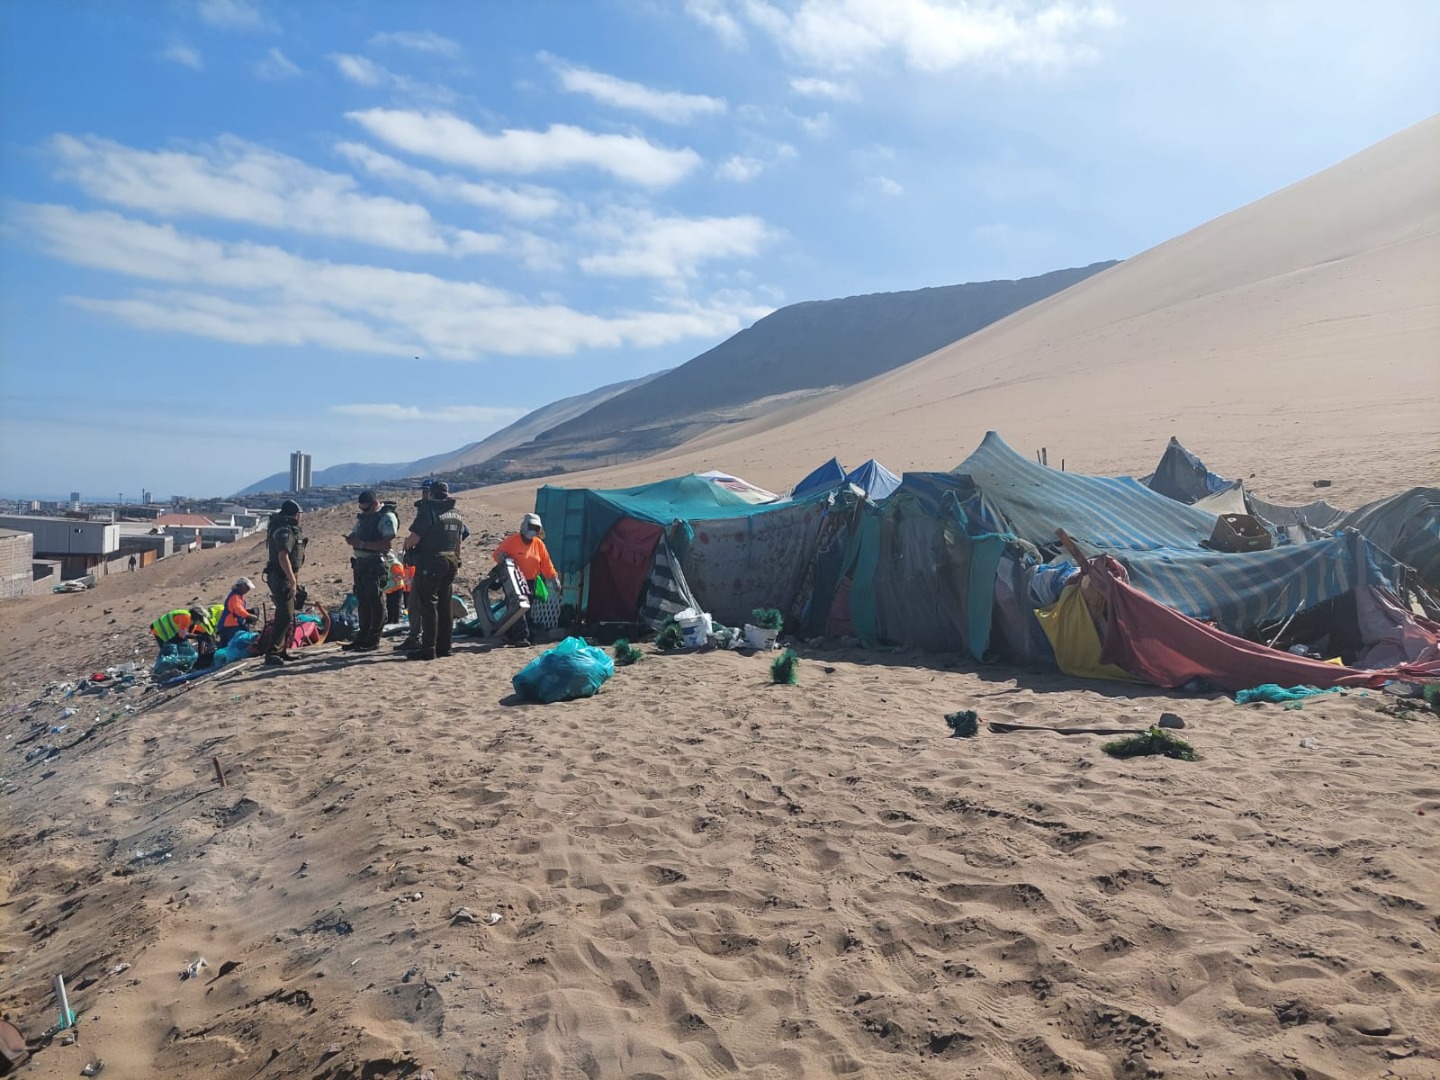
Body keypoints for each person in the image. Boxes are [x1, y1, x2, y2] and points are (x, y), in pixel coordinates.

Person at [402, 480, 467, 661]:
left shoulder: (428, 511)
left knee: (428, 605)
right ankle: (444, 647)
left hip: (431, 562)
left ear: (431, 494)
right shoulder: (456, 514)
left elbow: (414, 538)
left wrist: (406, 544)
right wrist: (457, 560)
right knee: (444, 606)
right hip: (451, 561)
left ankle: (428, 648)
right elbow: (458, 542)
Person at [491, 512, 561, 646]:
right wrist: (500, 557)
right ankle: (520, 637)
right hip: (513, 581)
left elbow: (546, 563)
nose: (533, 530)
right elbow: (497, 554)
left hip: (531, 581)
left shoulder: (538, 544)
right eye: (531, 527)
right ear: (524, 526)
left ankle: (511, 636)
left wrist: (553, 578)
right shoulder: (512, 541)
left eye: (536, 528)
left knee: (526, 609)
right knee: (518, 607)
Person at [342, 491, 398, 652]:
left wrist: (361, 544)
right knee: (363, 600)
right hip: (361, 563)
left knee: (375, 601)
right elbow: (357, 532)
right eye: (362, 509)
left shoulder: (386, 518)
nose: (364, 512)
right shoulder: (364, 517)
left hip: (375, 563)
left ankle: (374, 638)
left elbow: (386, 544)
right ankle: (363, 635)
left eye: (367, 508)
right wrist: (352, 539)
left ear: (375, 504)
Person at [263, 499, 307, 667]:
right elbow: (283, 556)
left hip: (283, 576)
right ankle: (272, 653)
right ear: (295, 514)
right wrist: (292, 579)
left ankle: (280, 650)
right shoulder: (285, 532)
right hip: (282, 577)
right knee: (285, 614)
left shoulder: (284, 528)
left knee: (287, 614)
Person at [217, 578, 259, 645]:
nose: (248, 590)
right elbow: (238, 610)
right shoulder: (235, 597)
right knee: (232, 644)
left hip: (231, 624)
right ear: (241, 586)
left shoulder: (237, 595)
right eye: (247, 587)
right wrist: (249, 616)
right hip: (230, 625)